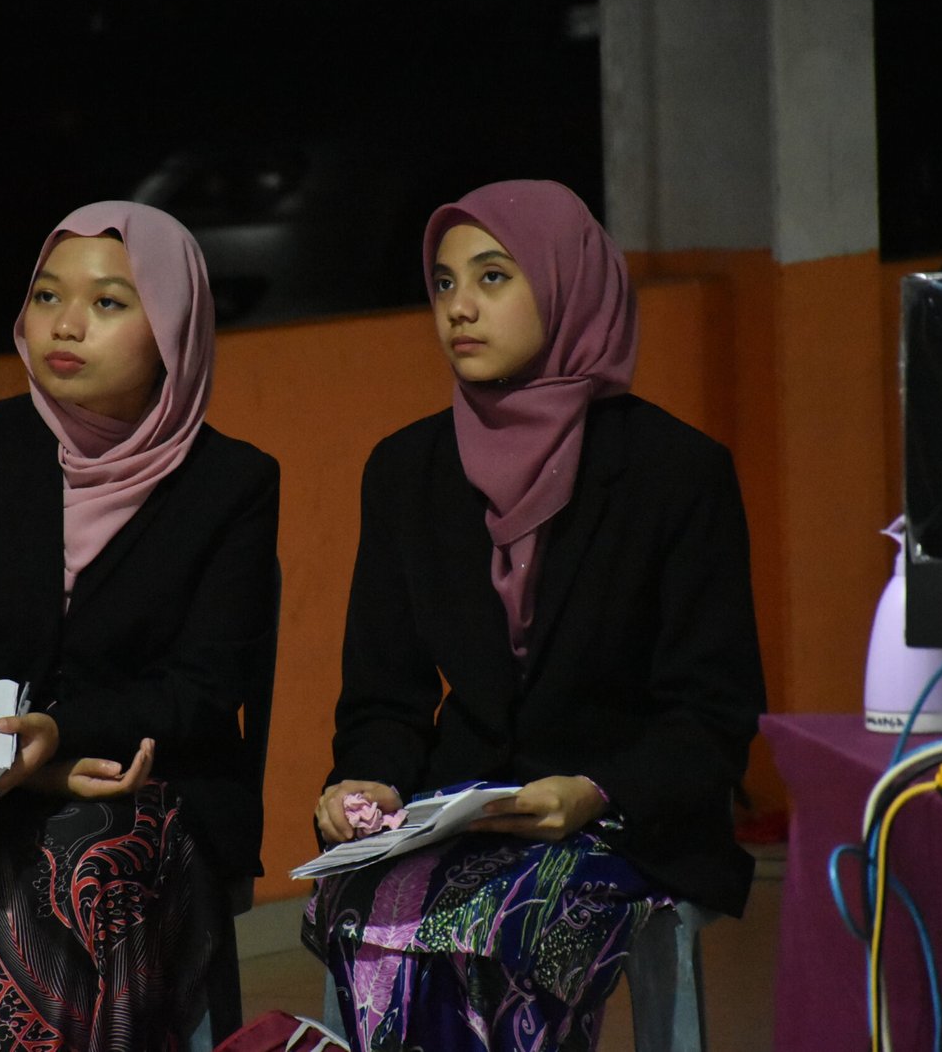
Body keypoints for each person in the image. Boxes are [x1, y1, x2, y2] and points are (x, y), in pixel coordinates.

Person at [303, 180, 766, 1052]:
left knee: (509, 925)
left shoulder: (675, 471)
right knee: (359, 908)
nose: (459, 308)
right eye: (444, 283)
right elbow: (384, 698)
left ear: (565, 286)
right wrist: (368, 782)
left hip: (626, 814)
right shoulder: (405, 471)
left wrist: (594, 789)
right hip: (467, 805)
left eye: (492, 277)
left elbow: (714, 711)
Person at [0, 201, 280, 1051]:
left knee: (76, 867)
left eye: (108, 302)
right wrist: (23, 764)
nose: (66, 323)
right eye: (47, 295)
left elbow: (202, 690)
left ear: (173, 329)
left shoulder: (229, 483)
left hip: (148, 785)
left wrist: (67, 735)